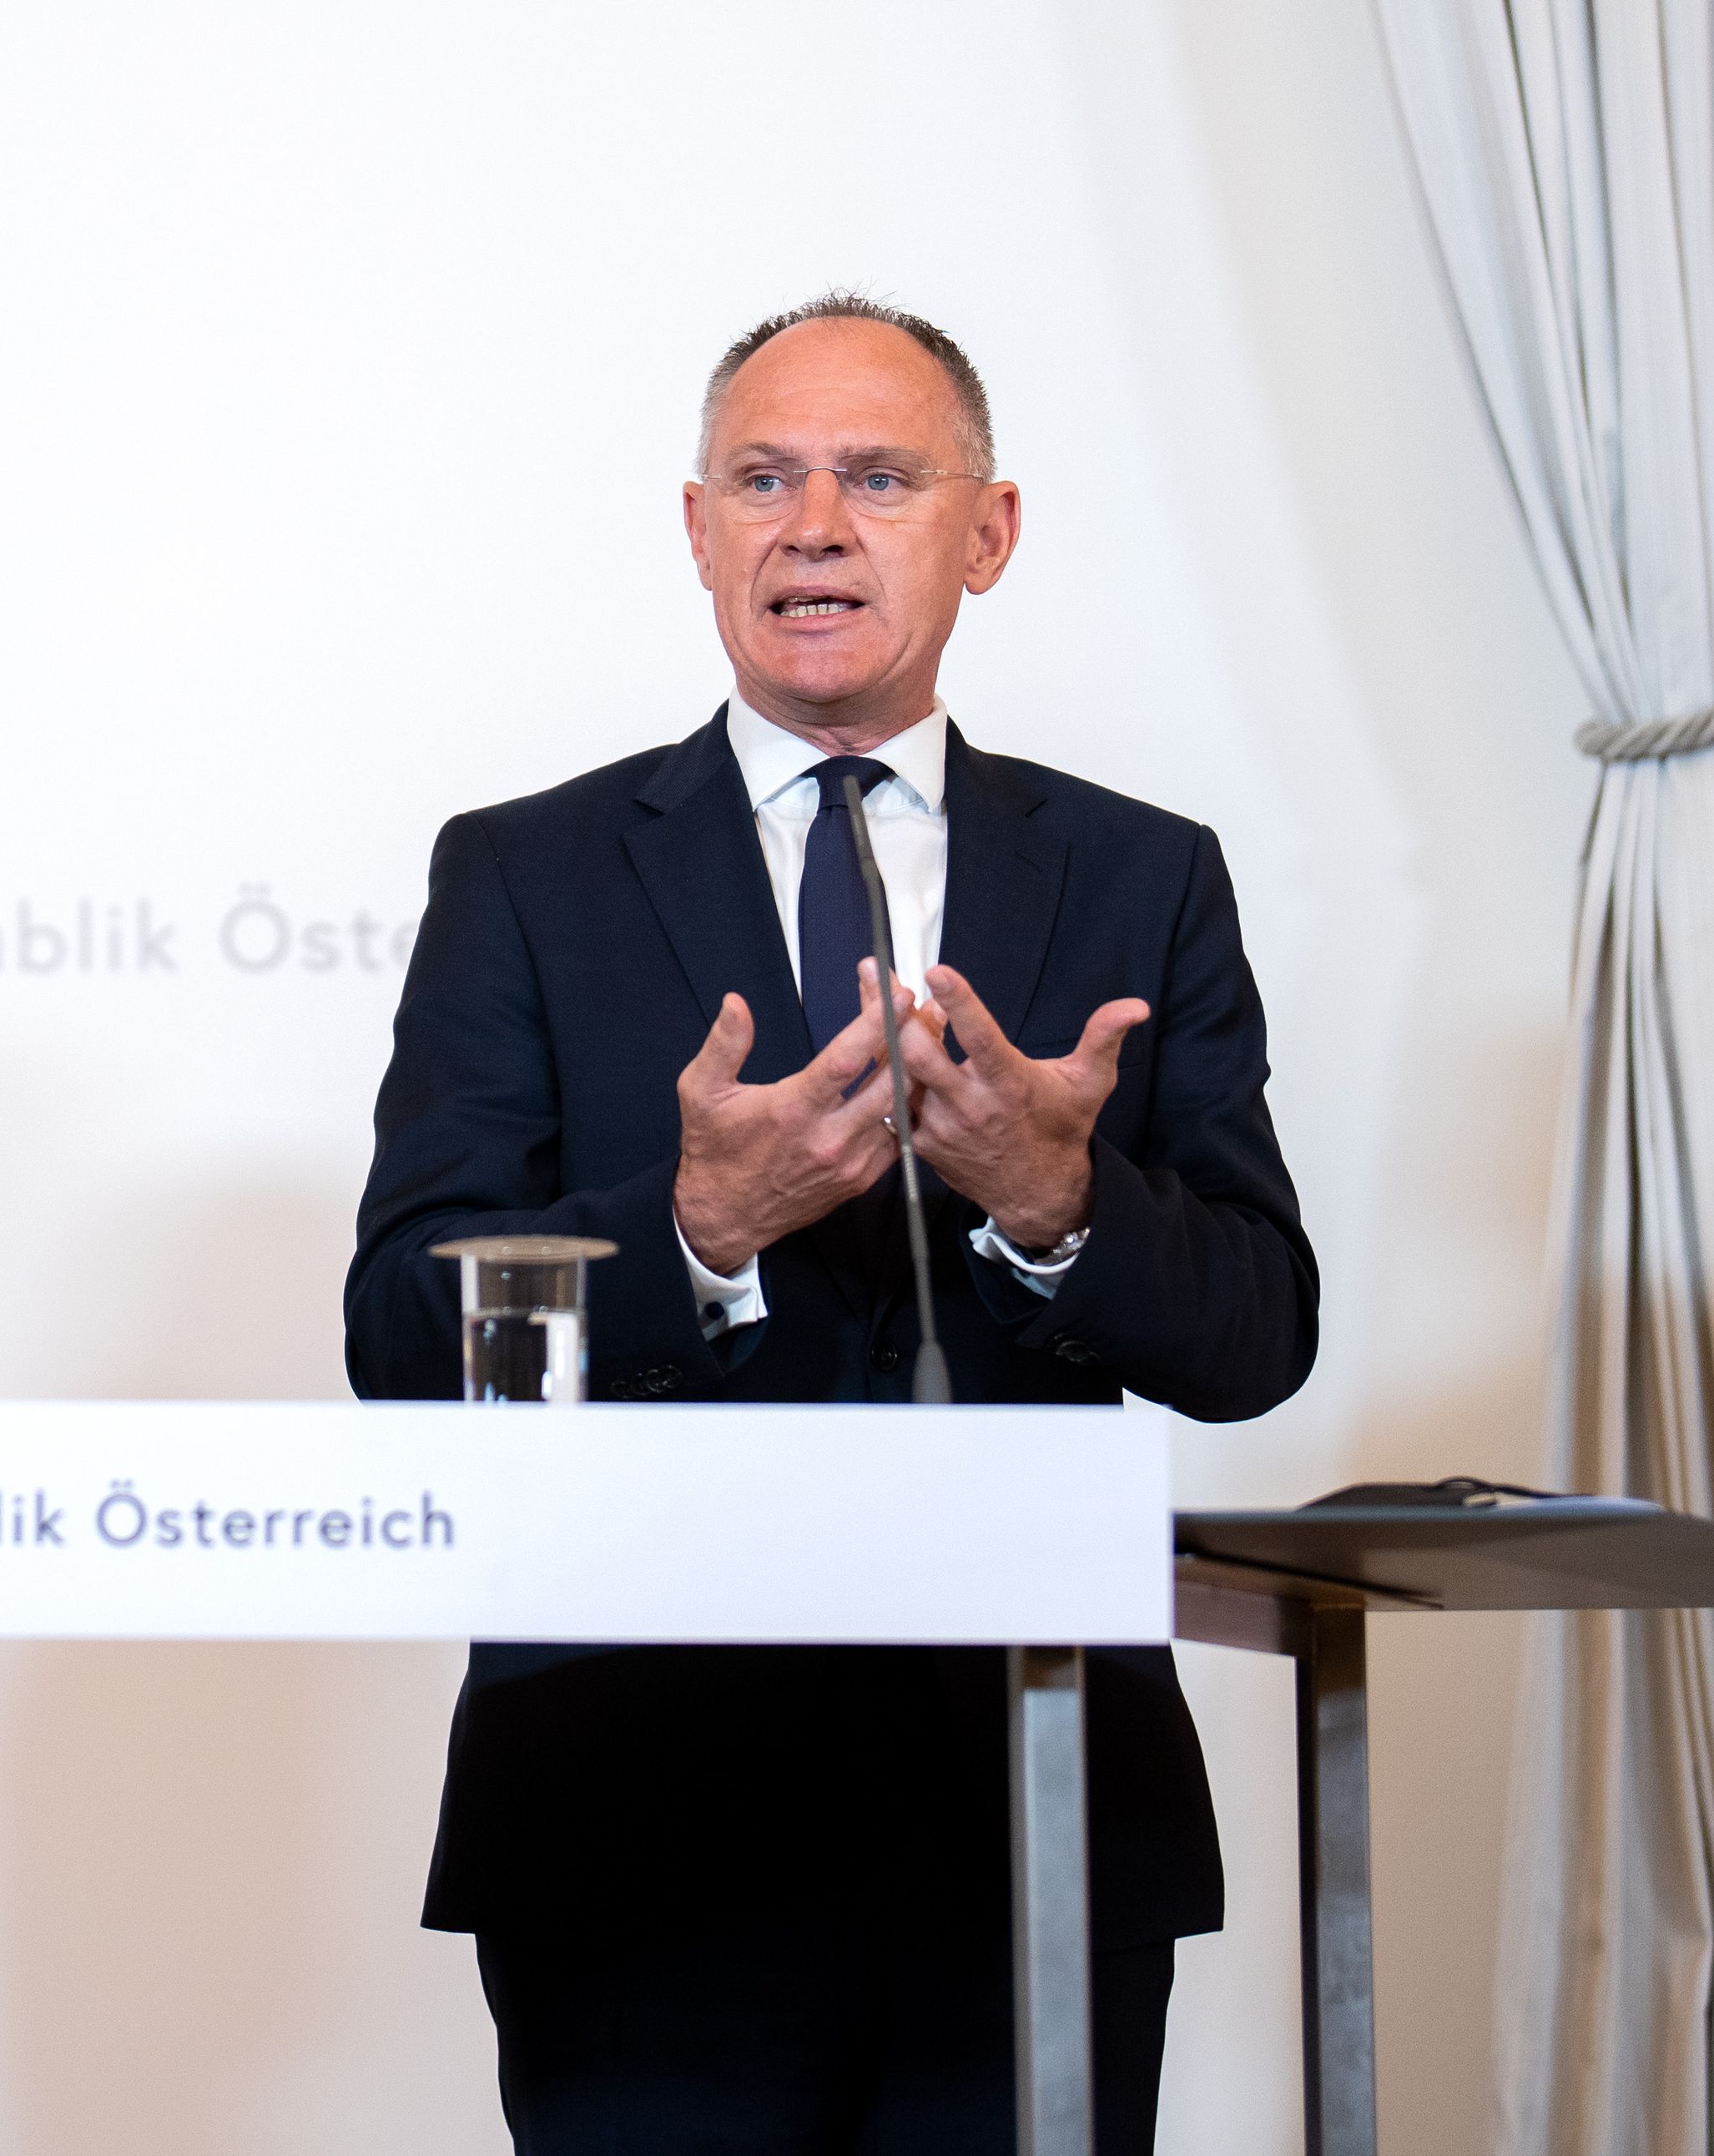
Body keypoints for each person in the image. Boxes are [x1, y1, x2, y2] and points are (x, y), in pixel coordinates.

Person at [343, 295, 1317, 2152]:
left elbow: (1257, 1329)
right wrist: (693, 1225)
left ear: (988, 530)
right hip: (635, 1815)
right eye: (763, 479)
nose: (813, 525)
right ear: (696, 530)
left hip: (1030, 1809)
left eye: (877, 477)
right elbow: (400, 1330)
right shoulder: (524, 873)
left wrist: (1056, 1204)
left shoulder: (1137, 873)